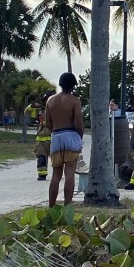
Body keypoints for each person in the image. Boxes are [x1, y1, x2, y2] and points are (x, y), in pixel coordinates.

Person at [43, 73, 85, 206]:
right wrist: (80, 136)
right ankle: (67, 206)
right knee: (69, 174)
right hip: (71, 135)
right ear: (73, 85)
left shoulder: (50, 100)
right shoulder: (75, 100)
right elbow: (78, 123)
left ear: (60, 84)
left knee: (56, 175)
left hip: (56, 135)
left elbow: (48, 123)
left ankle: (51, 206)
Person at [26, 98, 50, 180]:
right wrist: (32, 105)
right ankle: (42, 175)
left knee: (59, 159)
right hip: (42, 140)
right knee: (41, 157)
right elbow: (27, 111)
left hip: (56, 138)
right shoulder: (39, 111)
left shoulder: (57, 109)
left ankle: (59, 175)